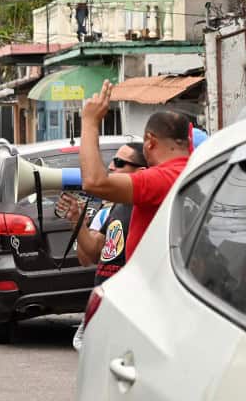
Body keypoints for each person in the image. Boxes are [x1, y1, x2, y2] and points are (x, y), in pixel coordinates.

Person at [80, 81, 191, 260]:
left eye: (119, 163)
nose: (112, 167)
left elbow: (94, 182)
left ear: (150, 141)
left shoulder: (162, 177)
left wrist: (89, 122)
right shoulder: (195, 169)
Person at [59, 142, 146, 349]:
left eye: (119, 163)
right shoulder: (119, 204)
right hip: (106, 306)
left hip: (127, 310)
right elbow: (93, 252)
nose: (111, 167)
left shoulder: (146, 208)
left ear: (141, 172)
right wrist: (77, 223)